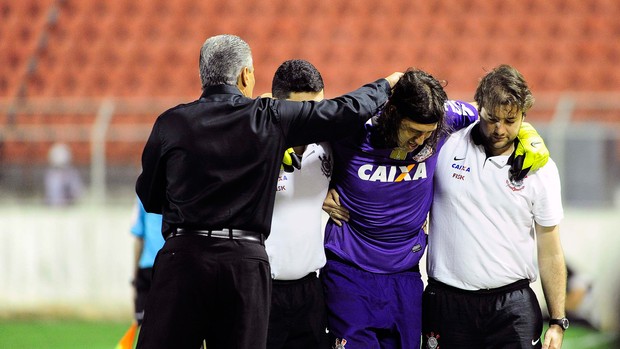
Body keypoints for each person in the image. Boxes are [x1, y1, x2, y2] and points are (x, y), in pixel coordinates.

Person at [134, 34, 402, 349]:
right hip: (244, 263)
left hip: (183, 257)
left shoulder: (171, 122)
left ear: (202, 74)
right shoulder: (268, 117)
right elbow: (344, 110)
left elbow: (150, 196)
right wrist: (385, 85)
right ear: (247, 75)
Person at [321, 68, 550, 348]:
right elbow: (291, 113)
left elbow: (492, 109)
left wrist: (525, 131)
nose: (420, 141)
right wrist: (317, 188)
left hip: (406, 275)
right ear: (393, 114)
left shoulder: (446, 118)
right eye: (414, 131)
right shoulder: (352, 127)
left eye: (428, 134)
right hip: (350, 270)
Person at [422, 64, 567, 349]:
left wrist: (558, 320)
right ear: (479, 108)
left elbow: (550, 249)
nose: (499, 129)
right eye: (491, 118)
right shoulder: (446, 145)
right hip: (448, 303)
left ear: (524, 116)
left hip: (512, 307)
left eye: (510, 120)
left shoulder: (542, 170)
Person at [264, 59, 330, 349]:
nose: (314, 117)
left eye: (319, 106)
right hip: (261, 290)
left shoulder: (329, 144)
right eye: (303, 109)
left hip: (310, 291)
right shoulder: (256, 142)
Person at [129, 197, 164, 328]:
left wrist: (134, 277)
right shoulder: (179, 187)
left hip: (149, 267)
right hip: (168, 265)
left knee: (146, 328)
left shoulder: (145, 191)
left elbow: (139, 237)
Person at [44, 142, 83, 206]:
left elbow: (77, 193)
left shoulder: (72, 173)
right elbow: (51, 194)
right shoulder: (51, 175)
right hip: (55, 206)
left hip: (69, 205)